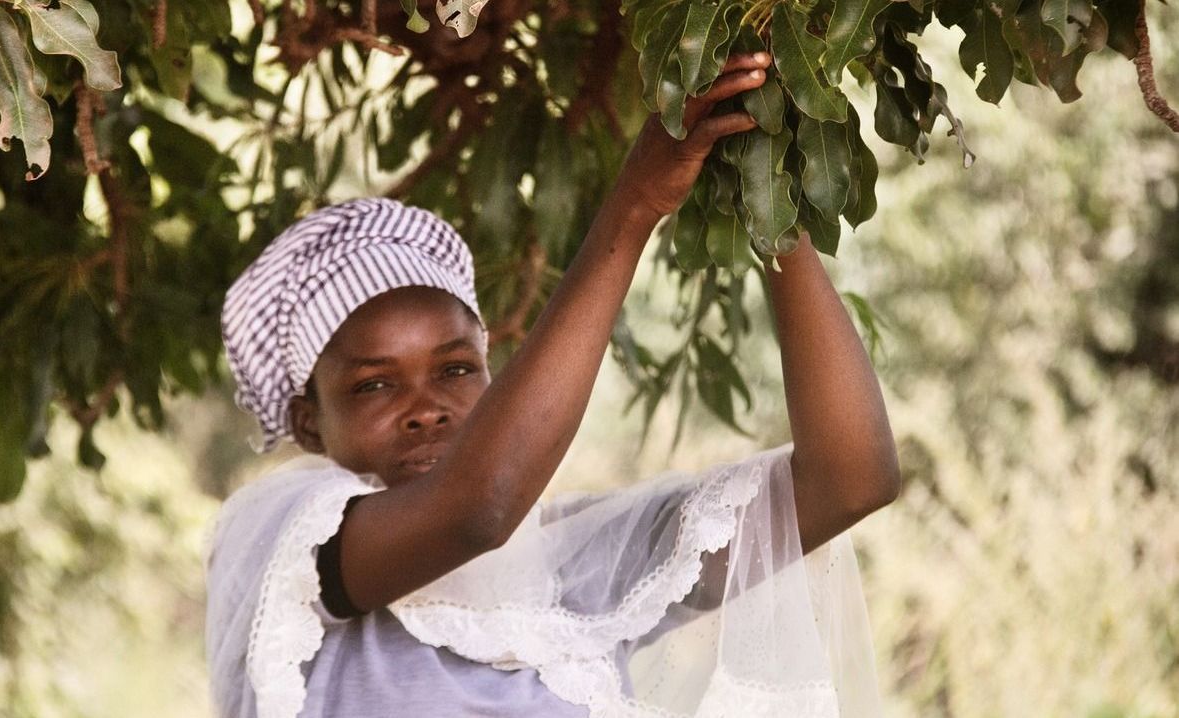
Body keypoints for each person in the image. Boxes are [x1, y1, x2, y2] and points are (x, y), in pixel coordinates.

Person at [205, 50, 900, 718]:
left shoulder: (572, 567)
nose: (426, 410)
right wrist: (632, 208)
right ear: (305, 423)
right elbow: (479, 507)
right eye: (373, 387)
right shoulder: (281, 537)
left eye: (454, 371)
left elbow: (849, 481)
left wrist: (768, 198)